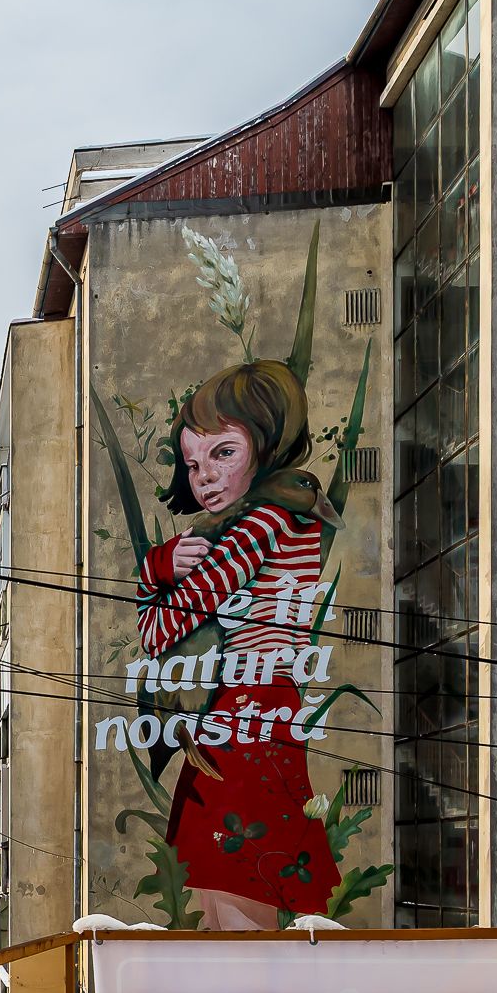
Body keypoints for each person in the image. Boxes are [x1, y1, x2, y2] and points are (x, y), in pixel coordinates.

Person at [134, 357, 343, 931]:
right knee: (226, 875)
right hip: (261, 704)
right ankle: (242, 982)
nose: (203, 478)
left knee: (233, 874)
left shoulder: (260, 526)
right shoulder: (291, 515)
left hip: (249, 708)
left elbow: (159, 630)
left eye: (223, 453)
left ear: (267, 445)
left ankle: (247, 986)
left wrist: (157, 569)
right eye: (192, 463)